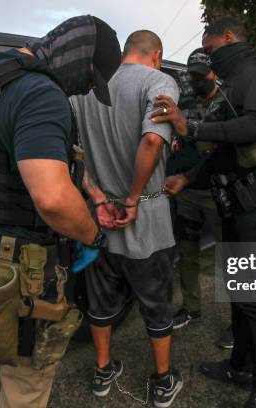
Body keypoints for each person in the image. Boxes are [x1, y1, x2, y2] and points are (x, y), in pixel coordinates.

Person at [0, 15, 121, 408]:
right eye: (91, 78)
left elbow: (26, 150)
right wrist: (93, 235)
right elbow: (53, 199)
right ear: (79, 56)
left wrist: (93, 192)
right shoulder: (40, 93)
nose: (87, 89)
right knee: (26, 383)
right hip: (22, 267)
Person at [152, 16, 256, 408]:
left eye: (212, 49)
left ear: (229, 38)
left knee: (252, 296)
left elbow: (255, 126)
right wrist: (189, 178)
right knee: (238, 288)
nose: (211, 60)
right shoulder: (235, 81)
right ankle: (239, 366)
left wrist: (192, 128)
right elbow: (225, 151)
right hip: (238, 201)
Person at [71, 30, 184, 408]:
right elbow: (152, 140)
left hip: (98, 218)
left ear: (124, 54)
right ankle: (163, 380)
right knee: (156, 302)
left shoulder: (84, 90)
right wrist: (133, 199)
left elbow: (71, 155)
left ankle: (103, 370)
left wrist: (98, 196)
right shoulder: (160, 81)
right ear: (157, 55)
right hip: (146, 216)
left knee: (100, 302)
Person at [165, 48, 223, 329]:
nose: (198, 81)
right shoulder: (184, 101)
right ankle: (191, 308)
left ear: (213, 73)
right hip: (186, 193)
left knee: (230, 259)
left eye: (202, 76)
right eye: (193, 76)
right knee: (187, 253)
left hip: (217, 192)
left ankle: (242, 320)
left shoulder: (226, 103)